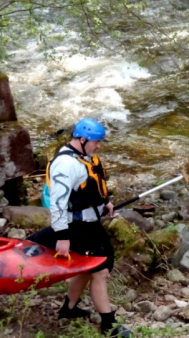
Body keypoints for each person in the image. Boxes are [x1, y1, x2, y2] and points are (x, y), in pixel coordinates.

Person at [29, 118, 130, 337]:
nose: (99, 145)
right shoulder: (66, 165)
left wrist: (105, 203)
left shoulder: (85, 158)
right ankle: (108, 324)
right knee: (100, 270)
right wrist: (62, 237)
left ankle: (69, 308)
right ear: (82, 139)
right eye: (96, 141)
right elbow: (58, 204)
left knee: (89, 266)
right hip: (75, 227)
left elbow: (91, 188)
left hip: (90, 224)